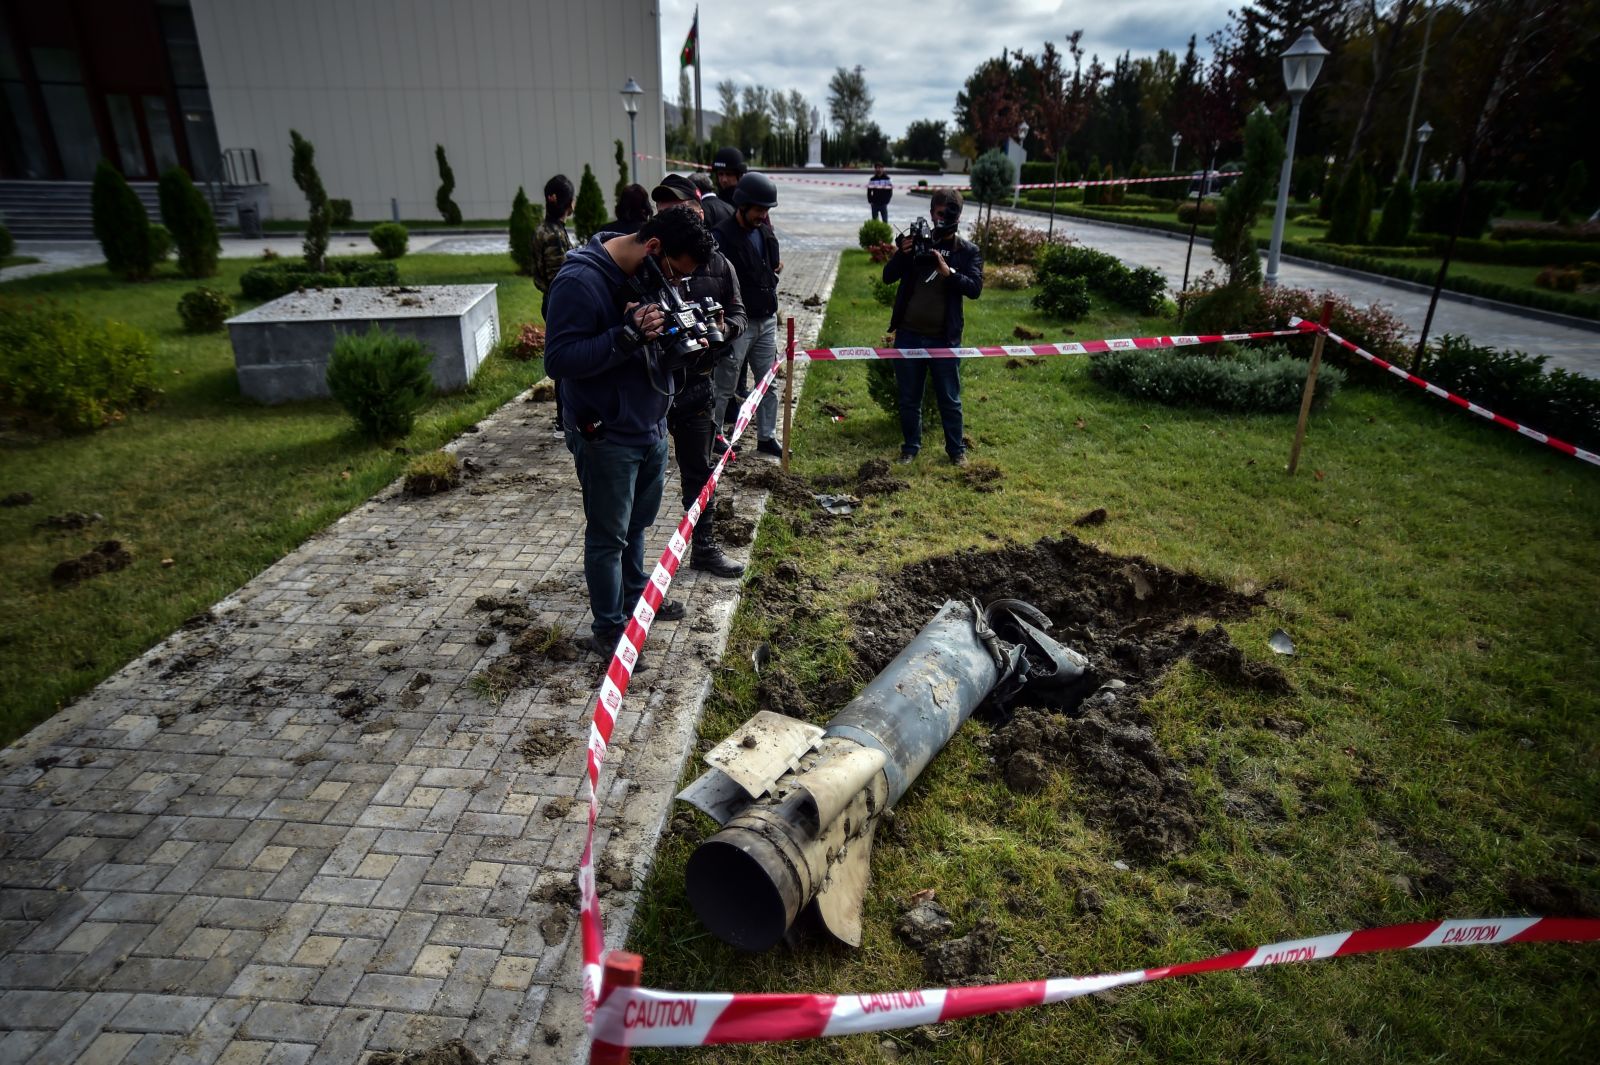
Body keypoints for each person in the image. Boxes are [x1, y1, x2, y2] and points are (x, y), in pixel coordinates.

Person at [544, 208, 717, 661]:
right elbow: (558, 360)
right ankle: (608, 628)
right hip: (607, 432)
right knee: (608, 536)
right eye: (676, 274)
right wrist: (625, 336)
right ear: (654, 248)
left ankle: (635, 596)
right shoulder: (579, 281)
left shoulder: (649, 277)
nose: (676, 284)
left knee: (637, 524)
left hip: (650, 423)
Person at [651, 175, 748, 578]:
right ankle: (626, 569)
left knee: (699, 471)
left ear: (698, 210)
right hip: (652, 388)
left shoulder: (719, 262)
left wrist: (723, 332)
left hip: (696, 386)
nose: (672, 218)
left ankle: (704, 547)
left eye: (680, 210)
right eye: (664, 212)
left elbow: (740, 313)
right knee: (642, 483)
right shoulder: (647, 263)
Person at [882, 188, 983, 466]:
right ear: (931, 213)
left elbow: (975, 288)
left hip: (944, 339)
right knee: (908, 399)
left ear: (960, 216)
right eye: (940, 214)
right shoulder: (914, 244)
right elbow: (888, 277)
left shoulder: (967, 251)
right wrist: (902, 254)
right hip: (909, 335)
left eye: (951, 214)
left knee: (950, 400)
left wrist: (947, 270)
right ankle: (910, 449)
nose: (945, 220)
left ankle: (956, 451)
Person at [710, 171, 783, 459]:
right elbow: (716, 280)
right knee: (725, 381)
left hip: (766, 320)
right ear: (742, 206)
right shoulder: (721, 236)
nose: (762, 215)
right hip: (738, 324)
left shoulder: (765, 232)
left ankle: (767, 436)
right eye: (758, 209)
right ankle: (714, 433)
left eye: (766, 210)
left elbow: (771, 266)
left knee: (768, 381)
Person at [531, 175, 576, 431]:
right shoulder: (555, 235)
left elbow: (537, 274)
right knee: (566, 358)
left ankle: (562, 417)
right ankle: (564, 418)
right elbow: (562, 276)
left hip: (548, 298)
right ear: (568, 202)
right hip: (560, 301)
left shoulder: (541, 230)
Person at [701, 147, 743, 227]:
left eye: (729, 174)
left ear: (739, 175)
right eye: (720, 174)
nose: (724, 180)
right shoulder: (714, 199)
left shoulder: (747, 202)